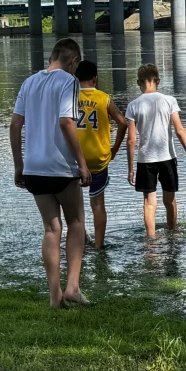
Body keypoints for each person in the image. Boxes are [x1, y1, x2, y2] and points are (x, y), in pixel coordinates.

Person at [10, 38, 92, 308]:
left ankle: (54, 296)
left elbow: (15, 125)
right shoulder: (69, 82)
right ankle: (73, 287)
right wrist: (82, 163)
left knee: (51, 228)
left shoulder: (29, 82)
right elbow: (66, 122)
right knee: (76, 223)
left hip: (34, 168)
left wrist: (18, 164)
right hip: (60, 167)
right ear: (73, 61)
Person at [125, 63, 186, 237]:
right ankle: (172, 235)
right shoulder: (169, 100)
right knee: (170, 200)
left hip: (145, 160)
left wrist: (130, 169)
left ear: (138, 82)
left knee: (149, 204)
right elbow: (180, 130)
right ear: (158, 81)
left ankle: (151, 243)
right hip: (167, 157)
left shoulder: (133, 105)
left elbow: (131, 140)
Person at [74, 60, 128, 250]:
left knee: (74, 205)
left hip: (74, 160)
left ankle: (78, 240)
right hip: (98, 159)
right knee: (97, 204)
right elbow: (123, 123)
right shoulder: (104, 98)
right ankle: (99, 245)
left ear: (75, 78)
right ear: (95, 79)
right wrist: (115, 149)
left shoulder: (69, 98)